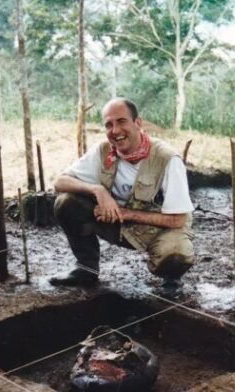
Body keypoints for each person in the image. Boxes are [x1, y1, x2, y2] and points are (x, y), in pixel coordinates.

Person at [49, 98, 195, 293]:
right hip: (116, 224)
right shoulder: (103, 151)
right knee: (66, 203)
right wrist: (97, 190)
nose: (115, 130)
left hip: (157, 229)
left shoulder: (167, 158)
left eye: (121, 121)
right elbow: (60, 182)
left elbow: (178, 220)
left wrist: (125, 213)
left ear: (138, 123)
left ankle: (171, 280)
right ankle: (86, 268)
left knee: (176, 254)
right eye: (109, 125)